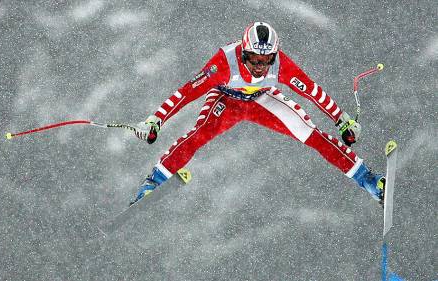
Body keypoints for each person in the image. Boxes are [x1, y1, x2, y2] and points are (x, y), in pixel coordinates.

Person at [131, 22, 385, 206]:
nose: (260, 67)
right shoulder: (223, 63)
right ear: (243, 53)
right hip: (226, 99)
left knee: (309, 133)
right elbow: (187, 92)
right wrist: (156, 119)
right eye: (254, 60)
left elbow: (312, 91)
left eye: (266, 61)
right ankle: (153, 181)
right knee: (200, 134)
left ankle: (368, 180)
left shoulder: (280, 64)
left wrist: (341, 120)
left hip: (261, 99)